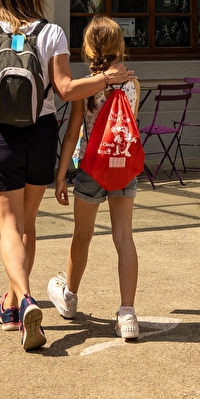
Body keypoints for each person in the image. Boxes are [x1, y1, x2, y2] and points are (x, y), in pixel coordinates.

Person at [0, 0, 134, 352]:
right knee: (28, 224)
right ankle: (13, 302)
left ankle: (21, 300)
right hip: (40, 134)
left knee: (9, 225)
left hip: (0, 134)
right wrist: (107, 78)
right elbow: (66, 90)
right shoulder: (51, 33)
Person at [47, 17, 142, 340]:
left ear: (89, 48)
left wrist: (61, 175)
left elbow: (72, 133)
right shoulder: (133, 84)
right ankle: (127, 313)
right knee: (124, 238)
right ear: (119, 45)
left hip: (91, 169)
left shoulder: (86, 87)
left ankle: (69, 297)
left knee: (82, 236)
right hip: (123, 169)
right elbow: (129, 127)